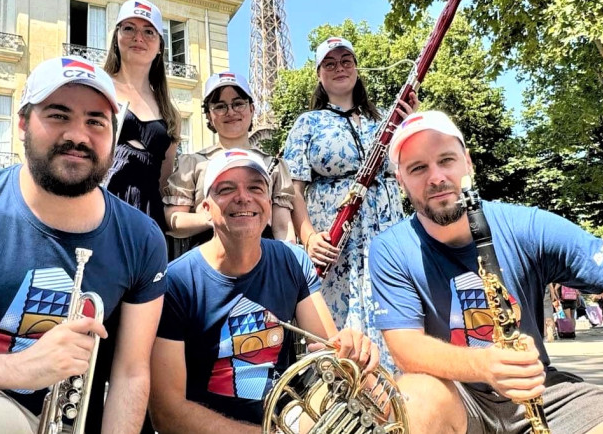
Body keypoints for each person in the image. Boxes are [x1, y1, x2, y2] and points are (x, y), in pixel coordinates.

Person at [0, 56, 167, 433]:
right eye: (58, 115)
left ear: (113, 136)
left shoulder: (142, 237)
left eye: (95, 121)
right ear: (22, 123)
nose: (78, 136)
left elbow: (131, 374)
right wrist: (19, 367)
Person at [369, 110, 603, 433]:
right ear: (400, 179)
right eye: (418, 168)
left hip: (541, 391)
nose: (436, 178)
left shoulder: (526, 225)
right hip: (457, 398)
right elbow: (405, 349)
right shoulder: (390, 248)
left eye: (446, 160)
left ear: (467, 162)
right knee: (412, 399)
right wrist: (485, 365)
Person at [149, 149, 379, 433]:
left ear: (269, 206)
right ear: (206, 209)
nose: (243, 197)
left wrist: (352, 349)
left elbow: (329, 355)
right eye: (226, 189)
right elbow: (167, 413)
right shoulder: (175, 282)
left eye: (255, 187)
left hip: (285, 423)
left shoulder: (292, 260)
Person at [283, 36, 417, 371]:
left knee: (395, 318)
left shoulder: (386, 119)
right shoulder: (307, 124)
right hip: (336, 247)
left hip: (386, 239)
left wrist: (411, 123)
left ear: (356, 68)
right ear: (319, 74)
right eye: (330, 63)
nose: (339, 68)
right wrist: (310, 238)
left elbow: (411, 167)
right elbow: (292, 189)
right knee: (341, 334)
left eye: (346, 60)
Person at [163, 72, 295, 250]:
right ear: (209, 115)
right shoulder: (193, 163)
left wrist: (288, 264)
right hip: (210, 261)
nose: (231, 112)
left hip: (263, 261)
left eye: (238, 103)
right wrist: (211, 217)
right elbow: (173, 220)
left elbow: (282, 227)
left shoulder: (274, 166)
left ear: (252, 109)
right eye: (220, 106)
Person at [102, 0, 181, 234]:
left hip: (148, 216)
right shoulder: (97, 87)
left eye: (149, 31)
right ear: (117, 37)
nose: (139, 37)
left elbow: (163, 181)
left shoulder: (169, 111)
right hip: (100, 206)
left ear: (159, 46)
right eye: (129, 28)